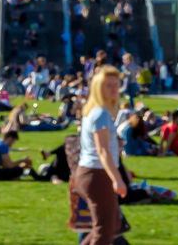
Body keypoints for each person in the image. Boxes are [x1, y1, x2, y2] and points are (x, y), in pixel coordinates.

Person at [74, 65, 127, 245]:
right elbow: (101, 151)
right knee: (104, 231)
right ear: (98, 88)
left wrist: (116, 145)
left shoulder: (96, 112)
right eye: (108, 85)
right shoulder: (100, 114)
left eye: (116, 84)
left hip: (91, 173)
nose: (114, 89)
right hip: (97, 174)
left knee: (111, 225)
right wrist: (117, 179)